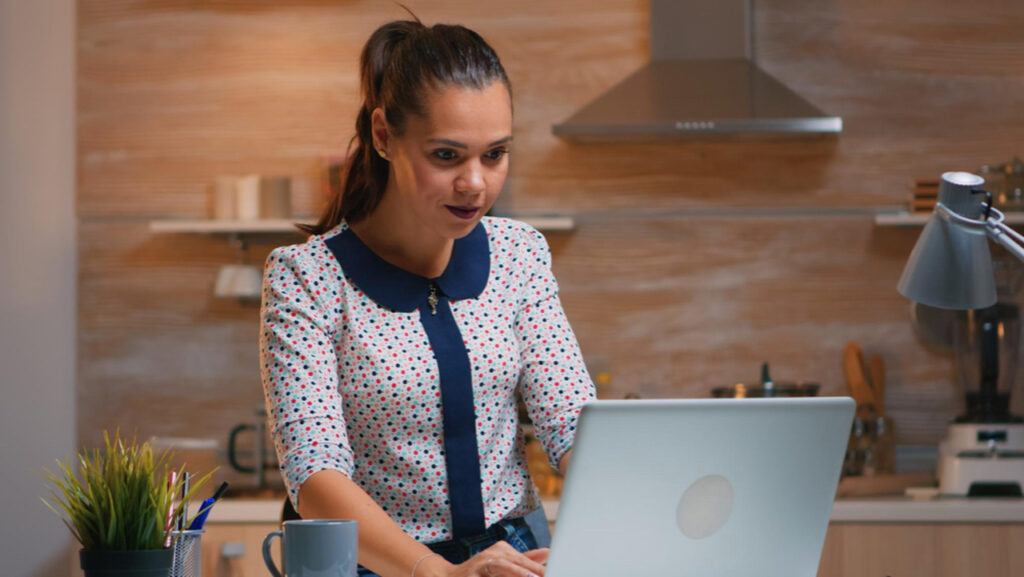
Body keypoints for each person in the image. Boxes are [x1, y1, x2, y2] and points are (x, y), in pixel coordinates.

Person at [259, 17, 596, 577]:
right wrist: (438, 573)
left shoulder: (519, 255)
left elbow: (572, 424)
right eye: (447, 156)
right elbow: (316, 477)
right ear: (384, 135)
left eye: (495, 155)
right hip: (379, 565)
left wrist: (642, 503)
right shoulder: (307, 276)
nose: (476, 184)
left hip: (517, 558)